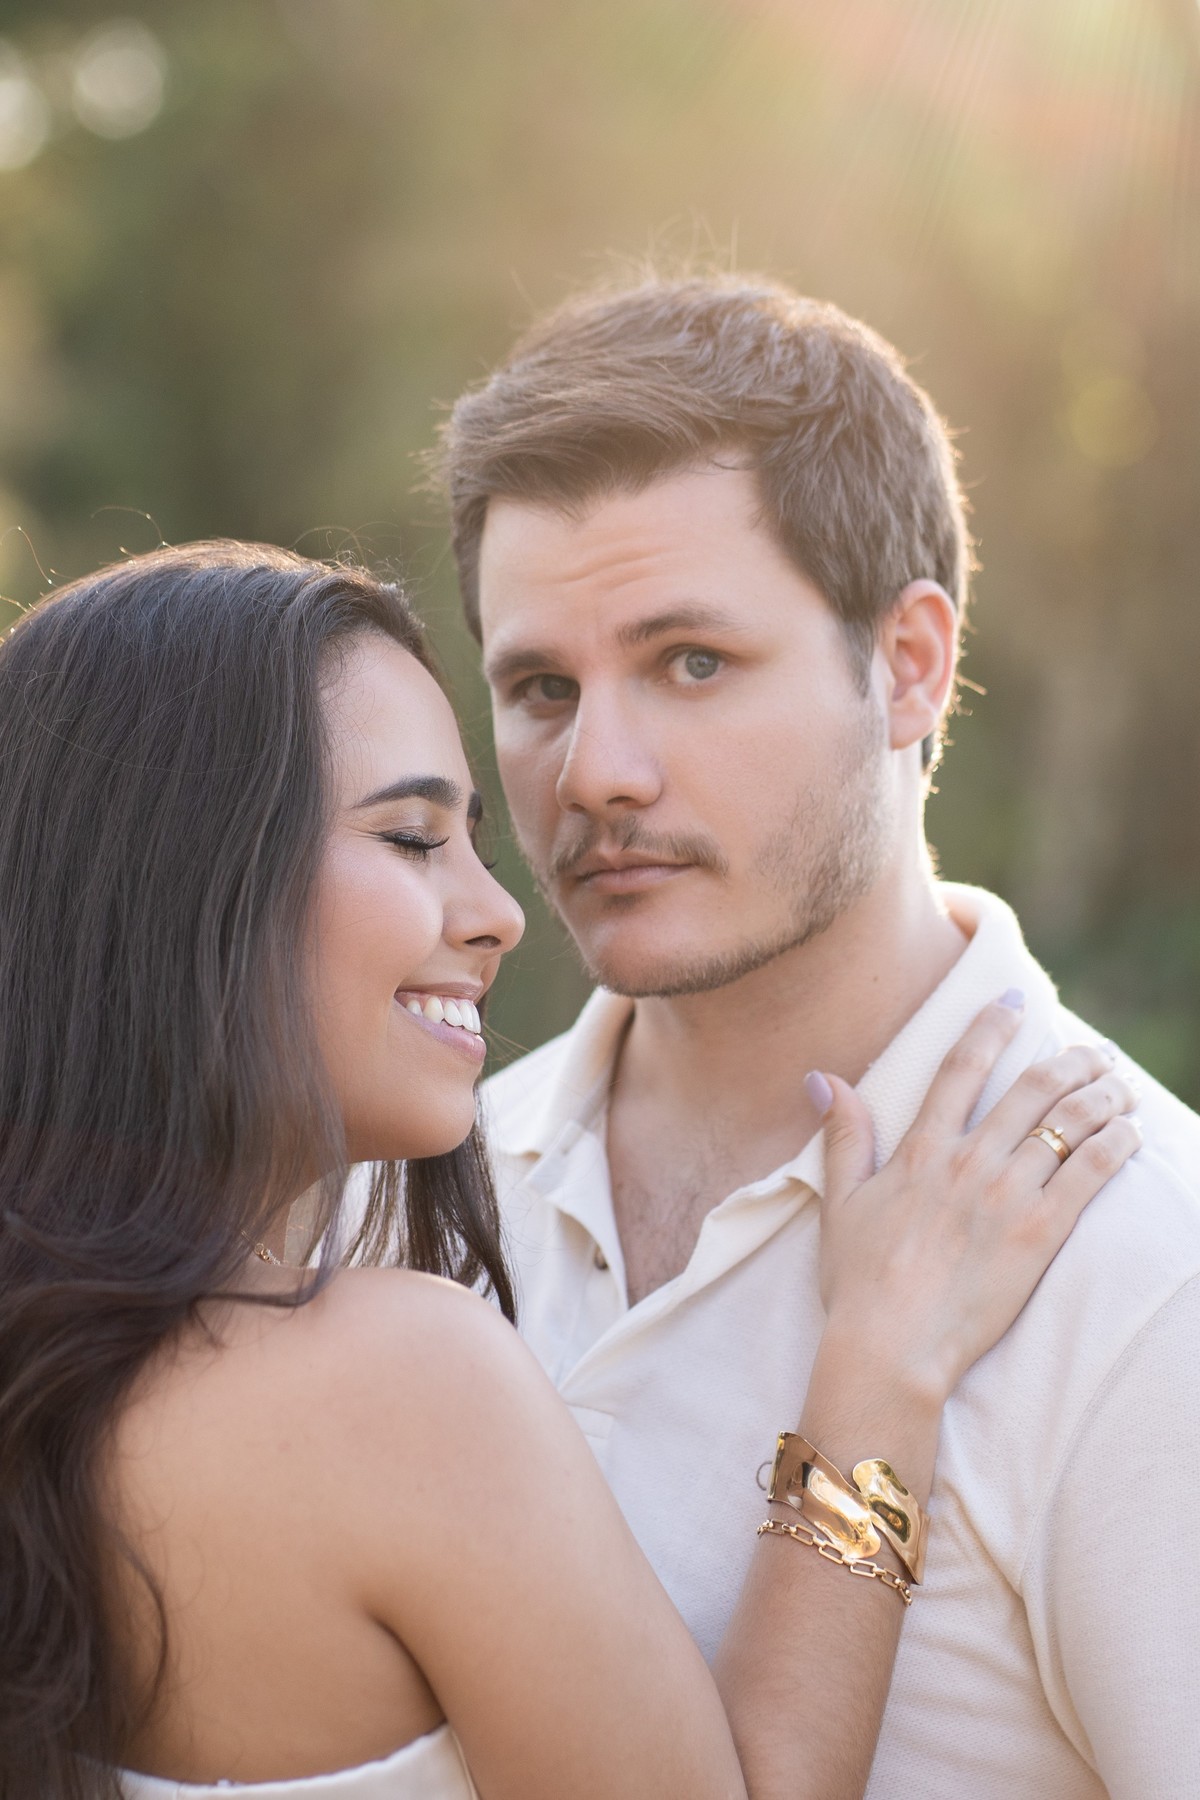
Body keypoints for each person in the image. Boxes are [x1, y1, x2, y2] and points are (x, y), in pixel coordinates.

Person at [0, 543, 1135, 1800]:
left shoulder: (56, 1370)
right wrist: (882, 1369)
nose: (498, 914)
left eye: (473, 843)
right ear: (176, 879)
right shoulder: (394, 1381)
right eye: (412, 837)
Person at [436, 273, 1200, 1800]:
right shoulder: (415, 1198)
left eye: (692, 663)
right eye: (540, 686)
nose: (597, 773)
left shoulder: (1144, 1271)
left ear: (910, 665)